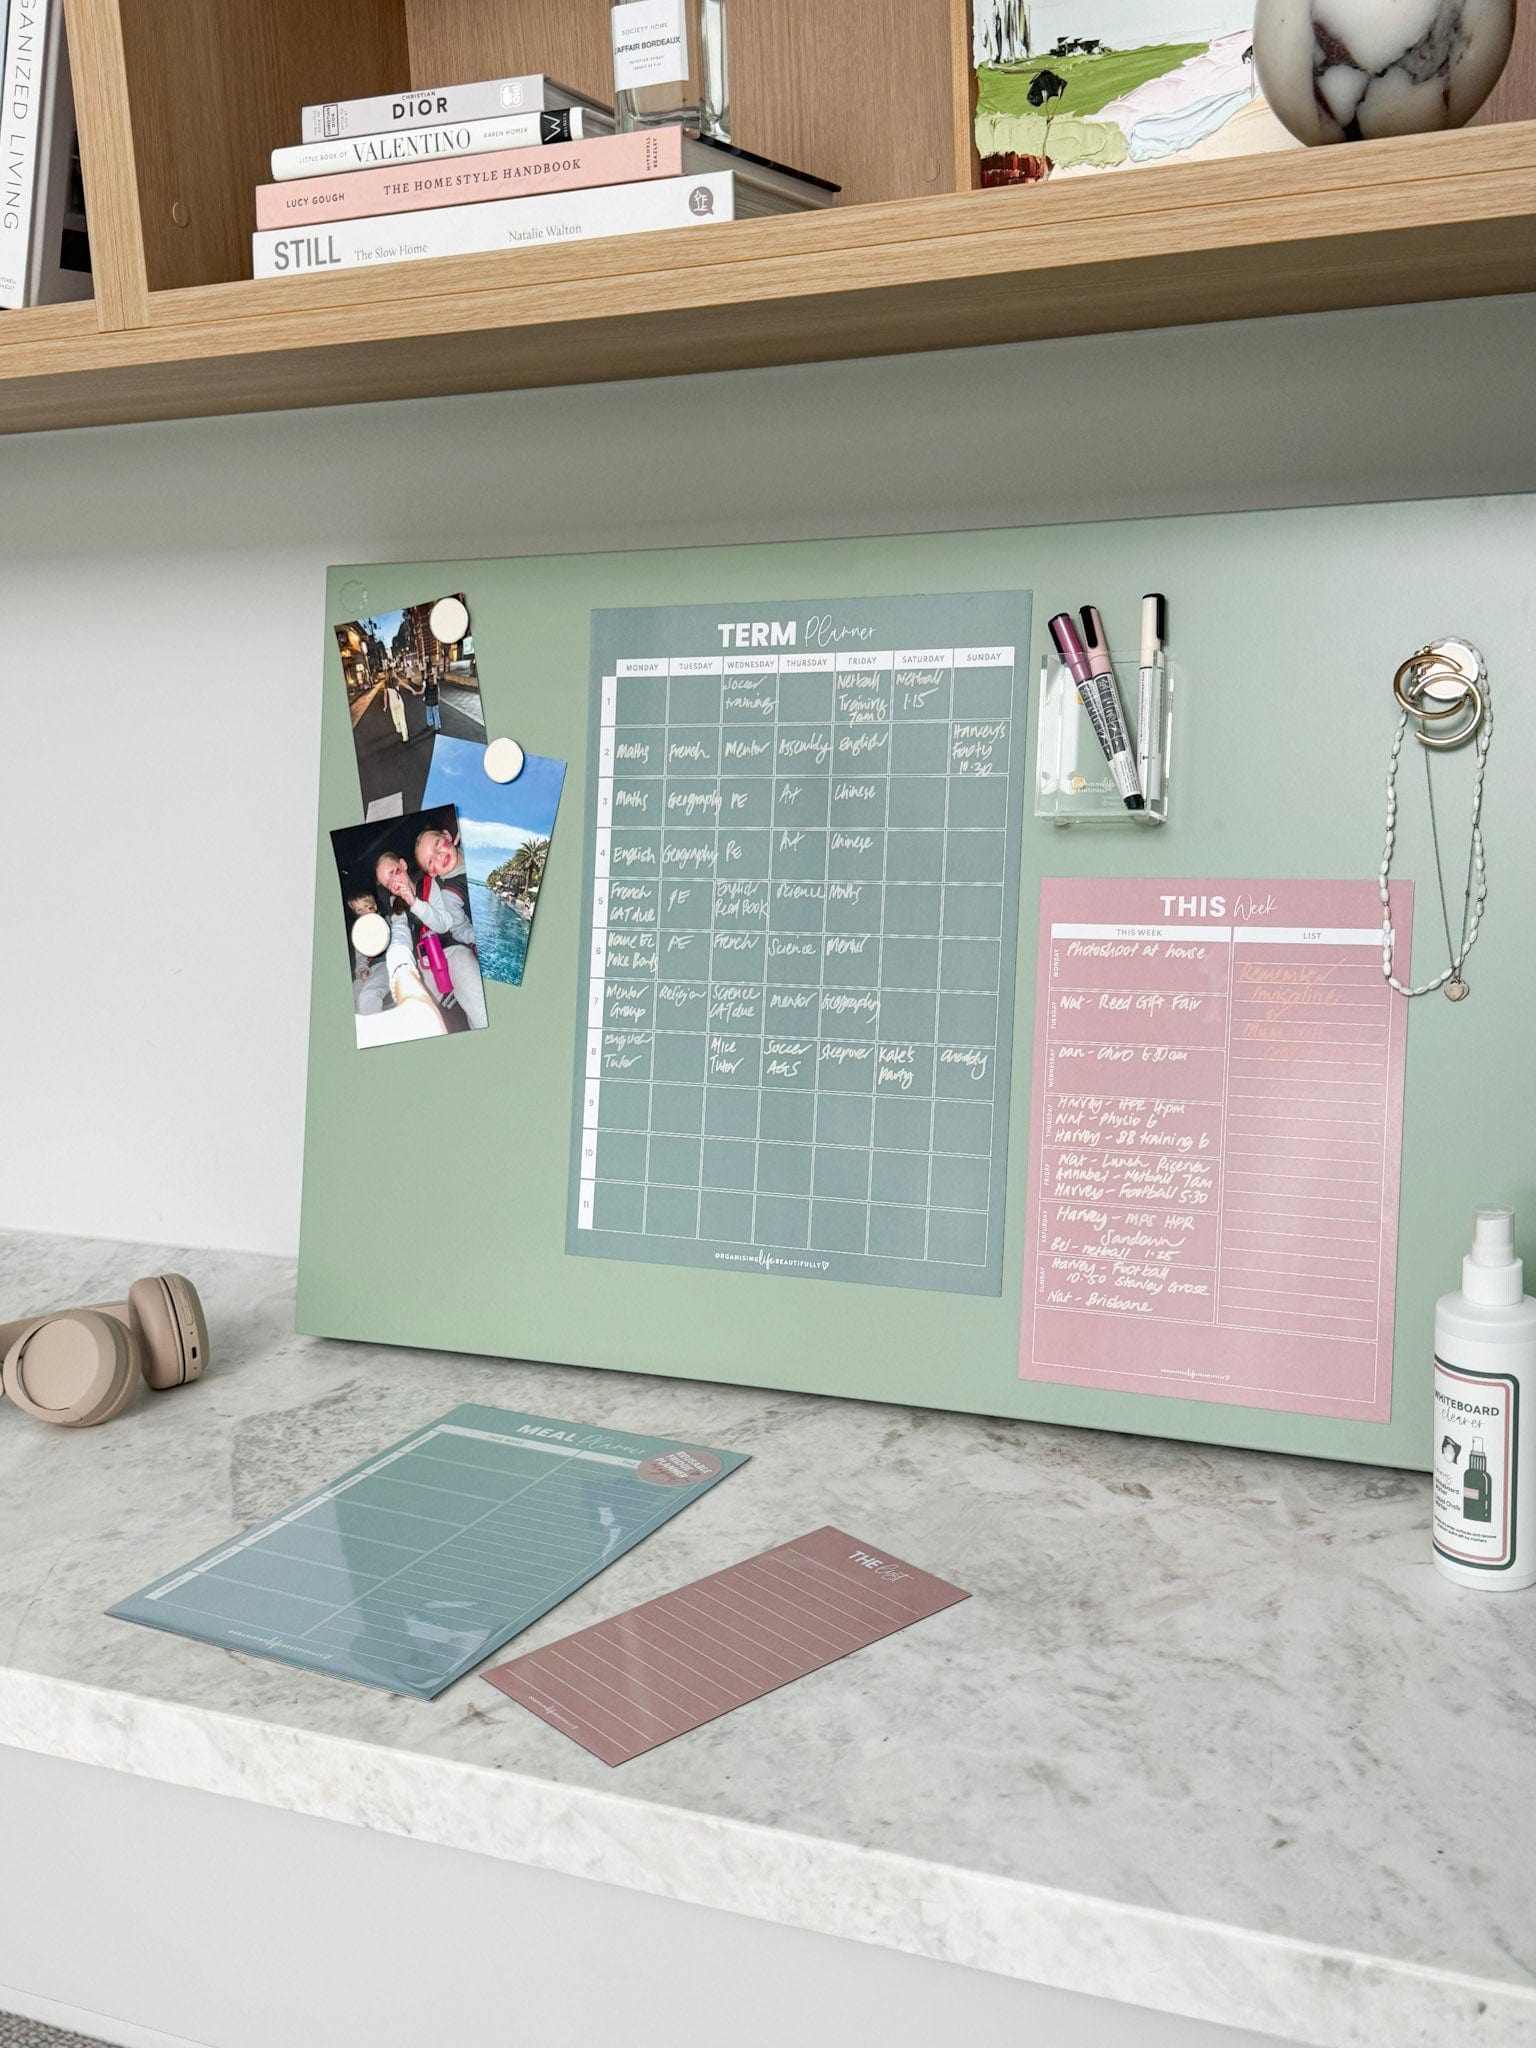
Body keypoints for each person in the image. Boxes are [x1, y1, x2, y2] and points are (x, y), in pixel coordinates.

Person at [374, 848, 487, 1031]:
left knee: (480, 1008)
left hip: (451, 953)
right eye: (388, 883)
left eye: (395, 872)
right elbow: (400, 932)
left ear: (403, 865)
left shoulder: (429, 882)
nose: (394, 883)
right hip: (424, 966)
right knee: (410, 1018)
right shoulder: (396, 904)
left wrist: (414, 902)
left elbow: (444, 924)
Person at [345, 891, 390, 1016]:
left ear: (374, 906)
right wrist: (362, 970)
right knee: (351, 996)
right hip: (372, 967)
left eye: (367, 907)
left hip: (388, 963)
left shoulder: (386, 921)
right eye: (359, 910)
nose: (364, 913)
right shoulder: (360, 930)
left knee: (368, 996)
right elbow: (360, 957)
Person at [423, 667, 441, 732]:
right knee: (436, 714)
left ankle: (430, 723)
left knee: (429, 712)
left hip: (428, 700)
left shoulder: (425, 681)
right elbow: (438, 689)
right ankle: (437, 727)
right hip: (434, 700)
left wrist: (424, 696)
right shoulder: (436, 680)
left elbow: (423, 690)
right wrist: (439, 696)